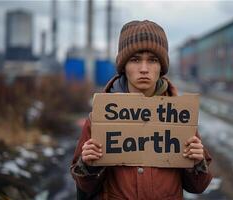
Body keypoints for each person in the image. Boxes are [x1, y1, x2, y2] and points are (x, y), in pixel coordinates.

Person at [70, 20, 213, 200]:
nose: (144, 69)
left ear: (162, 67)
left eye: (152, 60)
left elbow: (198, 186)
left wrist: (197, 162)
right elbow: (84, 187)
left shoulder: (178, 117)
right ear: (124, 66)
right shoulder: (101, 118)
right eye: (135, 60)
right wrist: (89, 166)